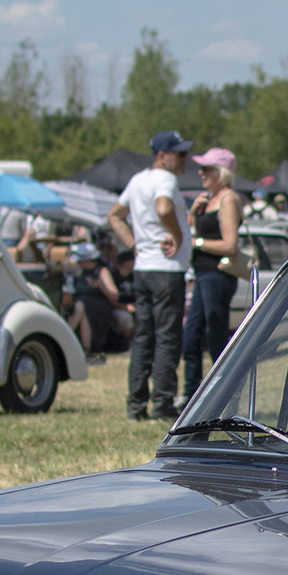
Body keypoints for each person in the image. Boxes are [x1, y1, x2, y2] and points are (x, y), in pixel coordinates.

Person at [108, 129, 193, 420]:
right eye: (179, 153)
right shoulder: (164, 179)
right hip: (166, 270)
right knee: (167, 337)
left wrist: (135, 246)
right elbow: (163, 207)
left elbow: (115, 216)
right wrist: (178, 235)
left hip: (144, 268)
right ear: (162, 156)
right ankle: (163, 404)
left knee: (144, 337)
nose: (185, 159)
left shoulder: (137, 180)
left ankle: (135, 406)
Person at [183, 147, 244, 405]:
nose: (201, 173)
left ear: (221, 172)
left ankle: (225, 395)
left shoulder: (228, 199)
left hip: (218, 276)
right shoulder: (209, 198)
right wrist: (192, 214)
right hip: (203, 275)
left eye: (207, 168)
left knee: (215, 336)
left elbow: (230, 245)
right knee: (191, 335)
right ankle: (191, 396)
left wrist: (196, 241)